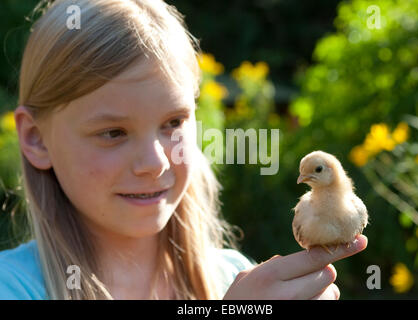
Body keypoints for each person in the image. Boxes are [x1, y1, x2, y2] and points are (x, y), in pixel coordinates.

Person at [0, 0, 367, 300]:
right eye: (113, 132)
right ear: (35, 139)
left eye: (174, 123)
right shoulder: (12, 287)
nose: (155, 162)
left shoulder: (235, 277)